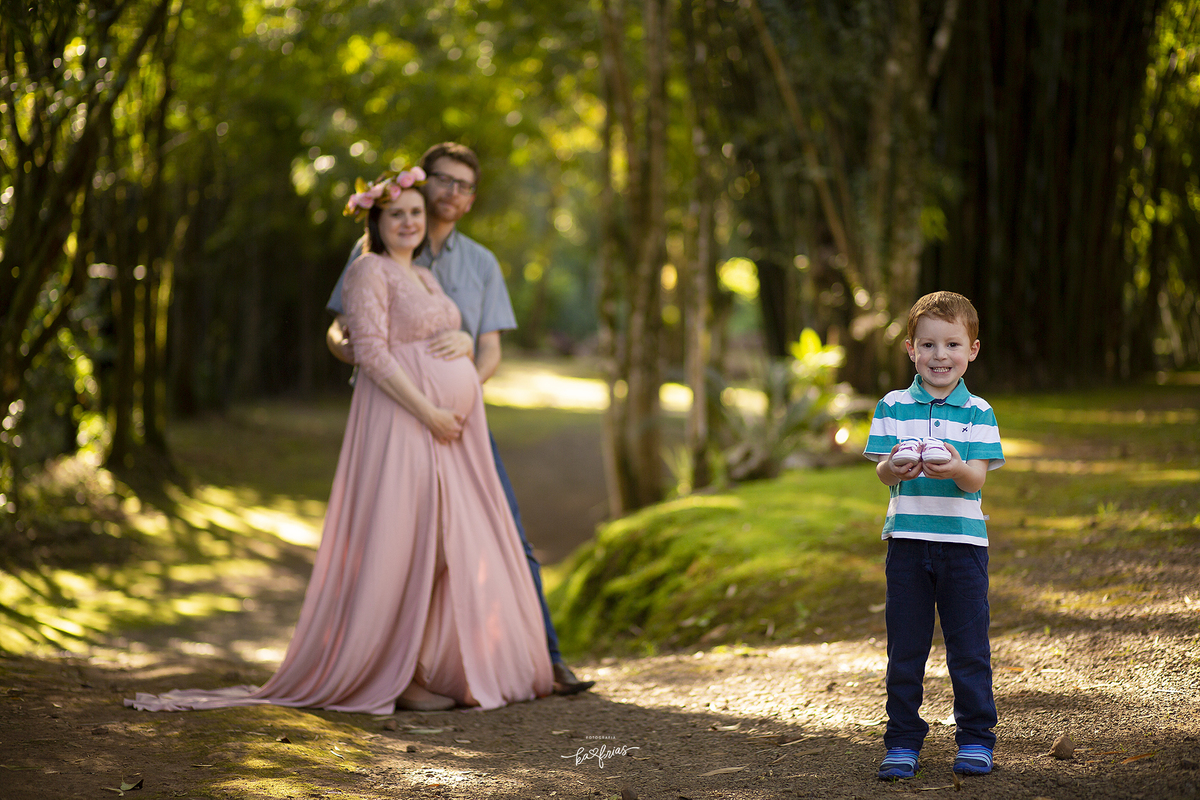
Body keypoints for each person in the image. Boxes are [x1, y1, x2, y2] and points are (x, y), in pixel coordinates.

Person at [127, 168, 552, 714]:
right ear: (376, 219)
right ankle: (393, 678)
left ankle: (408, 664)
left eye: (416, 214)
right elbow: (370, 353)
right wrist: (429, 412)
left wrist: (464, 339)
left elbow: (447, 334)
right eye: (396, 214)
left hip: (447, 434)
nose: (408, 222)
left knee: (444, 546)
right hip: (407, 424)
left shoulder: (423, 275)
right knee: (405, 543)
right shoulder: (367, 270)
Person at [325, 142, 593, 696]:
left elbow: (488, 351)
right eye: (444, 180)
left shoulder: (479, 264)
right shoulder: (380, 249)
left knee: (501, 530)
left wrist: (460, 398)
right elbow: (340, 332)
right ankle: (390, 665)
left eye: (465, 186)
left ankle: (543, 657)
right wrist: (367, 353)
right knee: (401, 536)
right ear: (423, 185)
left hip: (457, 425)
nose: (453, 193)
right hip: (397, 416)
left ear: (472, 198)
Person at [862, 291, 1005, 780]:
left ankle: (975, 738)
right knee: (906, 648)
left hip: (964, 548)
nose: (939, 356)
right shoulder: (892, 405)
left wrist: (956, 466)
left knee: (968, 649)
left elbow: (976, 479)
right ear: (910, 350)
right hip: (906, 545)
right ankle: (902, 742)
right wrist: (894, 465)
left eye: (951, 345)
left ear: (973, 350)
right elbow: (882, 473)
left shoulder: (979, 412)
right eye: (928, 345)